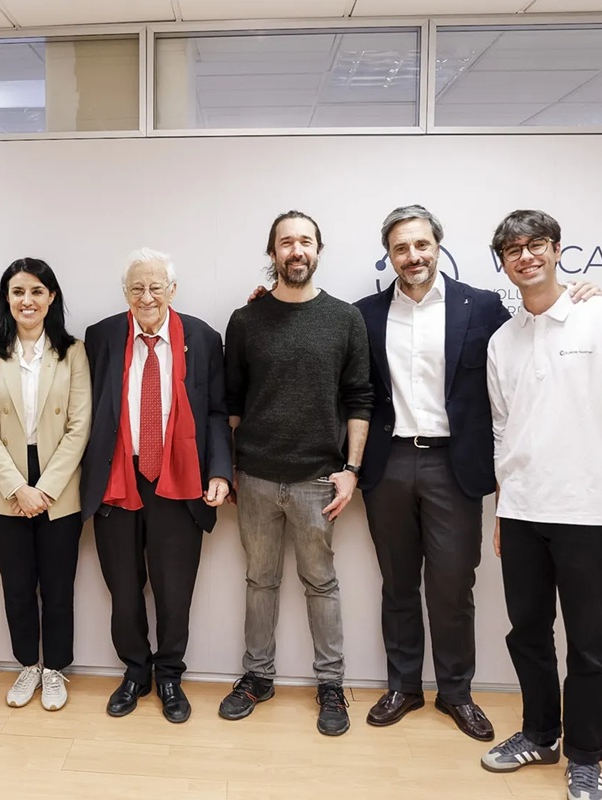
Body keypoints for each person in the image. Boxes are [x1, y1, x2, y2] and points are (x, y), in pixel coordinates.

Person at [355, 205, 602, 741]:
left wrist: (585, 296)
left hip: (456, 466)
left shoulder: (485, 305)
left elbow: (537, 327)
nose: (413, 256)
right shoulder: (366, 314)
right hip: (389, 462)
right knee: (397, 583)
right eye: (401, 248)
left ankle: (455, 692)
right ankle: (402, 685)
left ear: (439, 246)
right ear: (390, 255)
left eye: (422, 245)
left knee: (451, 584)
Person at [481, 210, 602, 800]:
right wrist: (503, 512)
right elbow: (504, 435)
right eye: (512, 250)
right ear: (502, 261)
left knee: (589, 643)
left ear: (557, 250)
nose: (525, 256)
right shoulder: (502, 340)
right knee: (527, 633)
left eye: (536, 245)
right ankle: (539, 734)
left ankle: (584, 757)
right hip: (523, 513)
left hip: (587, 514)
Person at [221, 210, 374, 736]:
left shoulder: (345, 319)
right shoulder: (246, 321)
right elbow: (232, 401)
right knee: (260, 579)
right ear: (273, 254)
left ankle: (331, 686)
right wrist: (234, 465)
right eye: (286, 242)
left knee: (321, 583)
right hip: (258, 477)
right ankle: (256, 677)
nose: (296, 251)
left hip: (318, 480)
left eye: (305, 241)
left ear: (318, 250)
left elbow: (359, 398)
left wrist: (352, 468)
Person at [81, 248, 232, 724]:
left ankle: (169, 674)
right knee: (123, 589)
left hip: (179, 482)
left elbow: (215, 411)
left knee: (174, 589)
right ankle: (134, 672)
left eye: (155, 287)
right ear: (125, 292)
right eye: (136, 288)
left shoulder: (204, 338)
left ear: (172, 290)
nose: (146, 297)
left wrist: (221, 471)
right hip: (117, 481)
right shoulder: (102, 336)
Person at [0, 258, 90, 712]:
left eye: (37, 292)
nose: (28, 300)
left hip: (60, 486)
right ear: (7, 297)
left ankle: (56, 667)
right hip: (6, 487)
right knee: (17, 586)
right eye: (18, 291)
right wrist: (18, 488)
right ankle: (27, 665)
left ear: (51, 298)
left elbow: (80, 427)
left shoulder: (73, 351)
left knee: (58, 587)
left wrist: (46, 488)